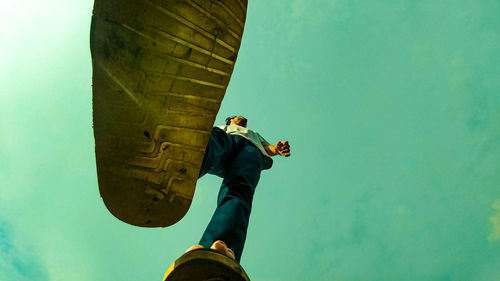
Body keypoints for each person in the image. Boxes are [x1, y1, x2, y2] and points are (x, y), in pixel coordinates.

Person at [186, 115, 291, 262]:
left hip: (250, 150)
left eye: (247, 120)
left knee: (239, 191)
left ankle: (223, 247)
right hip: (225, 138)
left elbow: (268, 148)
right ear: (231, 119)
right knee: (212, 143)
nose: (245, 120)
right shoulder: (222, 127)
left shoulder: (254, 134)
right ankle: (183, 162)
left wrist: (277, 149)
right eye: (240, 118)